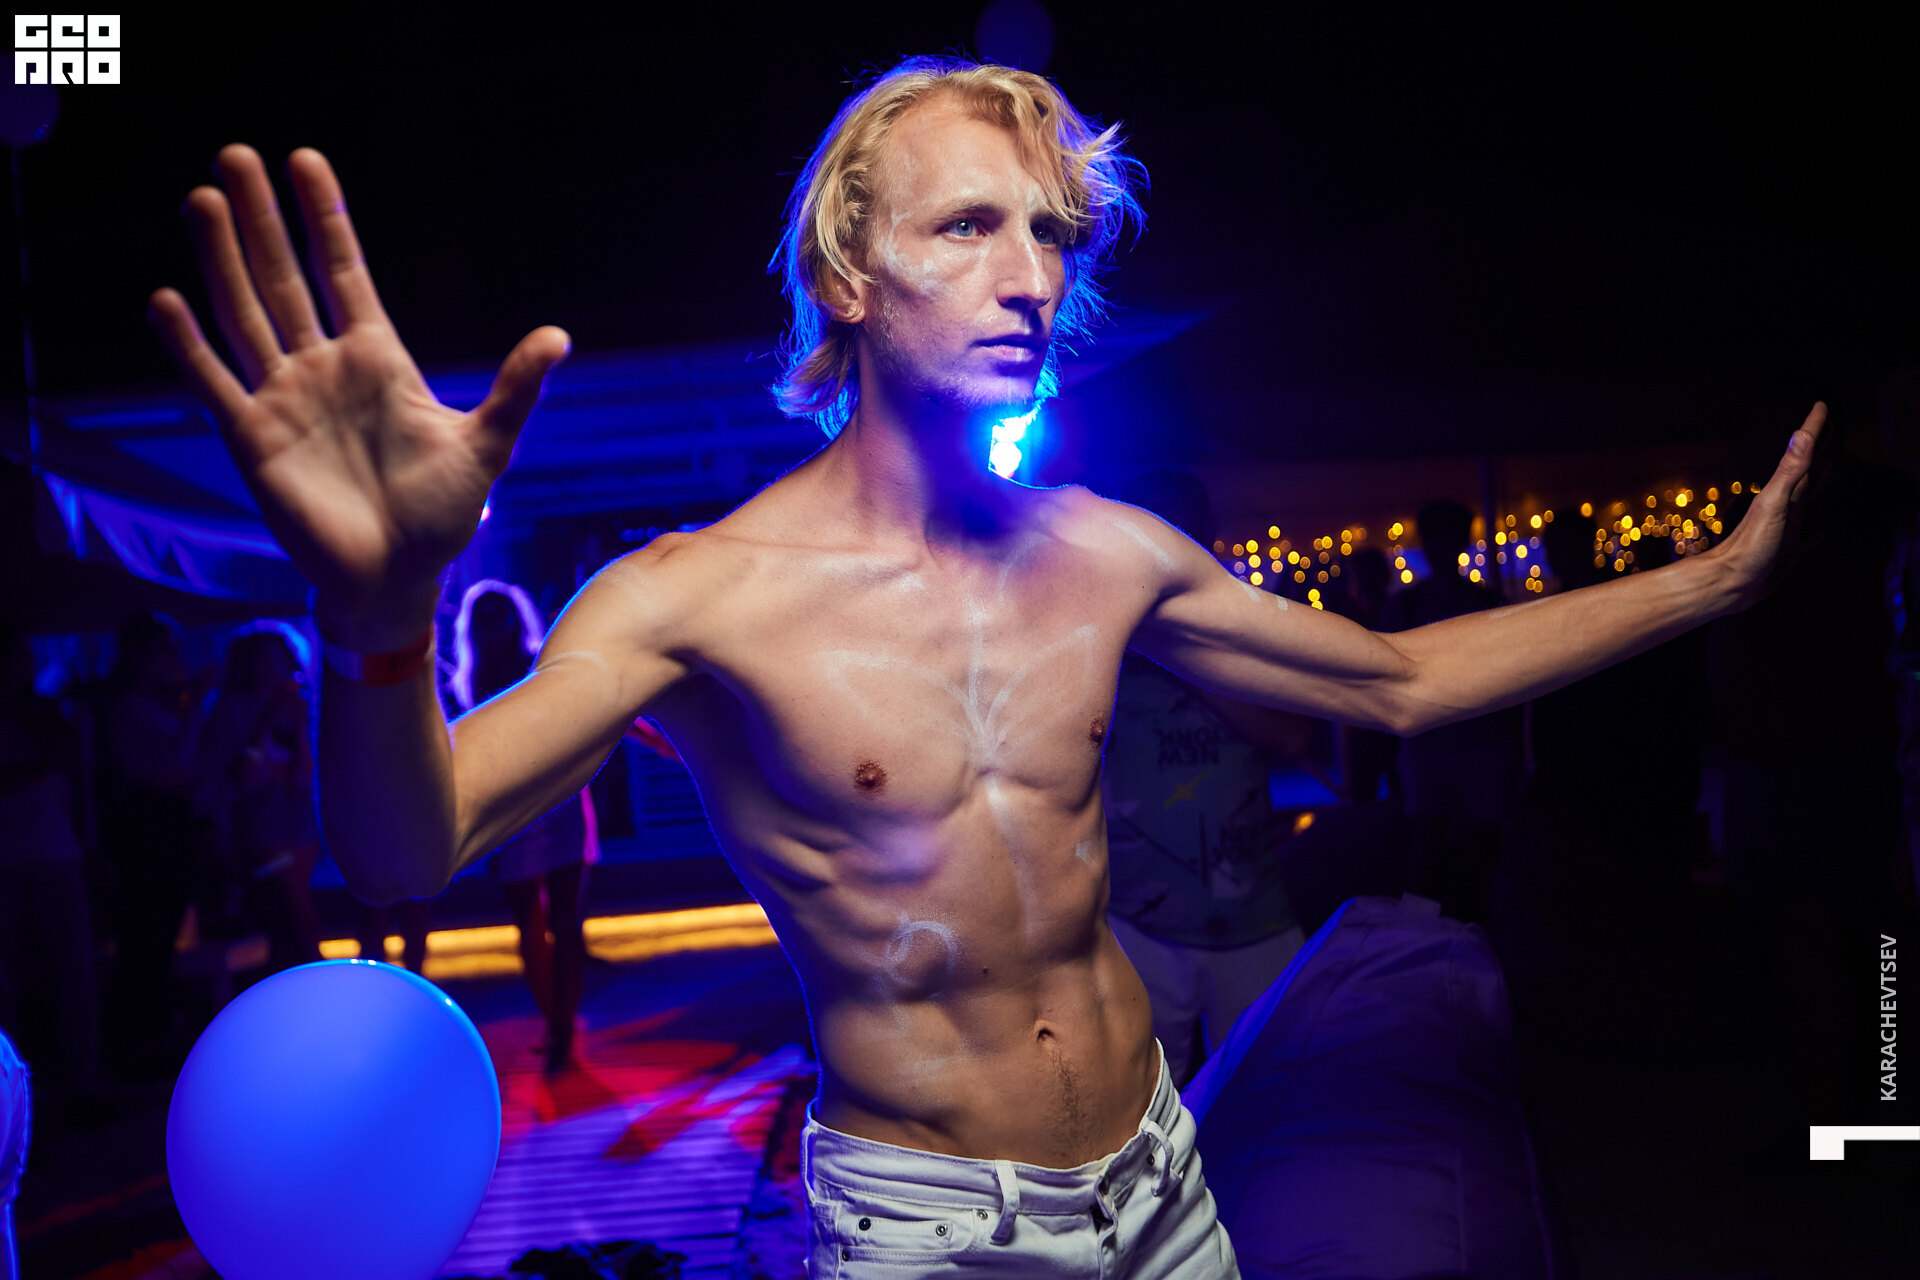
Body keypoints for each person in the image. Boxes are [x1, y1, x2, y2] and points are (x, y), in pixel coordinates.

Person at [146, 55, 1822, 1278]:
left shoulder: (1106, 552)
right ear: (850, 273)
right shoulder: (697, 599)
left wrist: (1712, 583)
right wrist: (375, 617)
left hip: (1161, 1178)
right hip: (930, 1230)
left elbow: (1398, 681)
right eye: (966, 227)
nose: (1029, 277)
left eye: (1050, 233)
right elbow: (405, 849)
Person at [1102, 472, 1312, 1088]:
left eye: (1182, 528)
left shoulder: (1247, 628)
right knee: (1141, 1107)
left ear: (1206, 537)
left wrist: (1187, 655)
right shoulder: (1103, 635)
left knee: (1264, 1100)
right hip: (1135, 921)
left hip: (1254, 917)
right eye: (1155, 527)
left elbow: (1295, 737)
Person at [451, 580, 600, 1074]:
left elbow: (588, 714)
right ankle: (555, 1022)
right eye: (485, 619)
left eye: (500, 615)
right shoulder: (468, 681)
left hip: (560, 802)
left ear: (516, 618)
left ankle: (563, 1026)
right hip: (514, 811)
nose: (494, 627)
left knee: (565, 921)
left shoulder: (542, 663)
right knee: (530, 925)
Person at [1379, 499, 1524, 927]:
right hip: (1443, 747)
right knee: (1435, 852)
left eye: (1448, 538)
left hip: (1468, 746)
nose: (1442, 547)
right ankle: (1452, 937)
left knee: (1458, 852)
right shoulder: (1425, 604)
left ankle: (1451, 936)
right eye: (1437, 538)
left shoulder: (1479, 601)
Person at [92, 612, 211, 1079]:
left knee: (157, 938)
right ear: (138, 655)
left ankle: (146, 1040)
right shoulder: (126, 708)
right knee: (146, 937)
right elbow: (170, 770)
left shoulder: (150, 706)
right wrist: (196, 704)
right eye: (165, 648)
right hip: (149, 835)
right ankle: (135, 1045)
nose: (174, 659)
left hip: (165, 832)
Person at [197, 625, 322, 973]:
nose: (271, 668)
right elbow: (240, 778)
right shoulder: (230, 710)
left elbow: (305, 777)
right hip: (258, 827)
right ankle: (328, 990)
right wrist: (267, 717)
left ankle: (289, 995)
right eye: (261, 660)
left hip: (298, 824)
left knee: (286, 929)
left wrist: (299, 724)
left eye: (277, 659)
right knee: (300, 921)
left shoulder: (299, 708)